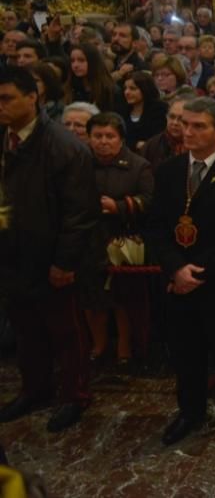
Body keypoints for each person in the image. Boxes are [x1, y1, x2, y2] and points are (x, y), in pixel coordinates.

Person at [145, 97, 215, 448]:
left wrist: (197, 272)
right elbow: (155, 226)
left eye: (198, 126)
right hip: (178, 280)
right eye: (184, 123)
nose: (187, 131)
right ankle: (190, 412)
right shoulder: (168, 170)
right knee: (185, 352)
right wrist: (176, 268)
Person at [0, 65, 100, 433]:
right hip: (12, 255)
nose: (1, 106)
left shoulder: (63, 146)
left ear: (32, 97)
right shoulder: (6, 139)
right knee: (27, 331)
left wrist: (64, 261)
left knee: (66, 332)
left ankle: (75, 395)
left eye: (7, 98)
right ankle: (35, 388)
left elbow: (80, 213)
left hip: (52, 258)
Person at [84, 112, 155, 367]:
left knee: (123, 298)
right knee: (91, 297)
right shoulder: (80, 162)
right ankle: (98, 343)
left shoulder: (138, 165)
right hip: (87, 238)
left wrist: (120, 207)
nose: (103, 141)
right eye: (97, 136)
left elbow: (149, 201)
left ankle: (125, 345)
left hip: (123, 239)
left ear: (121, 139)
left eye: (109, 136)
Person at [140, 93, 191, 173]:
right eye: (172, 117)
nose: (175, 123)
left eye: (181, 119)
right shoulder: (152, 145)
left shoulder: (199, 145)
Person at [118, 71, 167, 151]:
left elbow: (158, 138)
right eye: (125, 88)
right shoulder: (122, 110)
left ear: (145, 89)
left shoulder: (159, 109)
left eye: (132, 89)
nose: (127, 92)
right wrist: (135, 144)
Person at [66, 43, 119, 112]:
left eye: (81, 60)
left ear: (93, 62)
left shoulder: (110, 91)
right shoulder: (71, 88)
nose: (75, 65)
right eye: (72, 61)